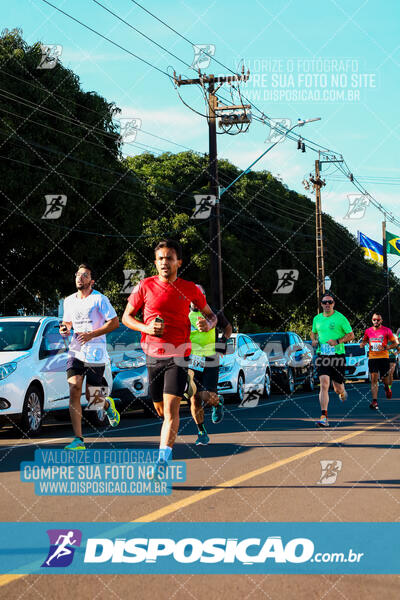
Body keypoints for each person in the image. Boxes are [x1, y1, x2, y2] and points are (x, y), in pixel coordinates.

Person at [122, 240, 217, 469]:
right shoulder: (144, 286)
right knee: (160, 409)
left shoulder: (190, 289)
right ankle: (168, 441)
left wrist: (209, 324)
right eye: (161, 258)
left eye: (169, 258)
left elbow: (211, 315)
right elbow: (126, 317)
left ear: (178, 262)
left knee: (172, 408)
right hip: (153, 355)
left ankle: (163, 458)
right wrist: (146, 328)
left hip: (179, 355)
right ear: (156, 263)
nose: (165, 262)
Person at [60, 264, 120, 450]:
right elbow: (67, 322)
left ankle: (107, 404)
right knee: (74, 388)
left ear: (91, 281)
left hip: (96, 353)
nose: (80, 278)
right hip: (76, 351)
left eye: (85, 275)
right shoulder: (69, 301)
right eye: (78, 275)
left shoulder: (100, 299)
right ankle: (78, 439)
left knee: (92, 397)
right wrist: (65, 328)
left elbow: (115, 322)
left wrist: (91, 335)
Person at [186, 285, 232, 445]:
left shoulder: (212, 312)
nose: (197, 299)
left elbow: (228, 328)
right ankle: (201, 432)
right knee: (194, 399)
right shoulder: (183, 313)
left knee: (206, 396)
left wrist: (222, 342)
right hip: (191, 361)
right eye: (194, 296)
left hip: (211, 358)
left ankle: (217, 402)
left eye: (201, 296)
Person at [311, 293, 354, 427]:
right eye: (325, 302)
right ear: (321, 304)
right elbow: (313, 332)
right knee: (324, 383)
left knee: (337, 388)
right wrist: (313, 339)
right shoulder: (317, 319)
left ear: (334, 303)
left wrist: (337, 341)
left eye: (330, 302)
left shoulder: (340, 318)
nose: (327, 304)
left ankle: (342, 391)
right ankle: (324, 416)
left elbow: (351, 335)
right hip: (323, 355)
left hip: (337, 356)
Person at [360, 314, 398, 410]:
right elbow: (365, 340)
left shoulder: (386, 330)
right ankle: (374, 401)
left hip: (384, 357)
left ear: (381, 320)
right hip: (372, 358)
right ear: (372, 320)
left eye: (378, 320)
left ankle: (386, 387)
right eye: (374, 320)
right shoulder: (368, 331)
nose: (376, 321)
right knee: (373, 379)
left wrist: (387, 347)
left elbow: (395, 343)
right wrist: (362, 344)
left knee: (385, 379)